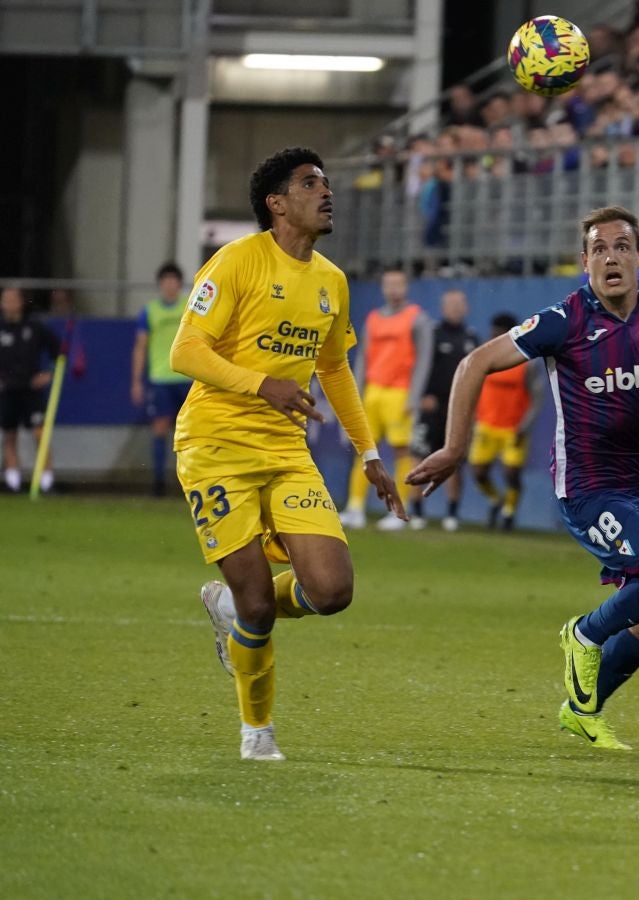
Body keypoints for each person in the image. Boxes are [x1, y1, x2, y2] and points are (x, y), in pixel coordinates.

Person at [408, 205, 639, 750]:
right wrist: (454, 447)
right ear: (584, 261)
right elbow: (474, 363)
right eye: (599, 248)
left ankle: (580, 710)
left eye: (622, 246)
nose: (611, 258)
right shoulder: (565, 320)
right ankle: (585, 633)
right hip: (589, 488)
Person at [170, 147, 405, 760]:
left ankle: (228, 607)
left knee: (331, 590)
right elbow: (185, 351)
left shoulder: (332, 281)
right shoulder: (237, 260)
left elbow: (335, 369)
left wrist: (369, 452)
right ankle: (258, 731)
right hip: (214, 446)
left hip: (284, 450)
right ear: (276, 203)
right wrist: (262, 385)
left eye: (325, 183)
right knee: (258, 604)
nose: (326, 192)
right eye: (309, 184)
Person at [339, 267, 433, 531]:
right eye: (388, 284)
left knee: (402, 451)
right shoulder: (373, 319)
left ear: (406, 287)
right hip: (373, 392)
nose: (393, 289)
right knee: (365, 450)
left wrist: (414, 396)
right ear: (382, 288)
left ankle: (398, 511)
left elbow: (424, 360)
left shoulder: (417, 319)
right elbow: (363, 357)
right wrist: (357, 392)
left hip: (400, 393)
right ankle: (355, 507)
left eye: (398, 284)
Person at [468, 313, 546, 530]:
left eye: (498, 333)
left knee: (511, 473)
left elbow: (537, 397)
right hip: (486, 425)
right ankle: (495, 499)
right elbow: (473, 389)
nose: (493, 336)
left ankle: (508, 512)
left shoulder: (526, 363)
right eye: (492, 332)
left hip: (514, 428)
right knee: (478, 472)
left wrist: (525, 426)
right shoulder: (484, 356)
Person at [409, 289, 478, 530]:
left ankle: (452, 514)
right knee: (419, 456)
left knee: (454, 459)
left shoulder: (472, 338)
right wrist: (422, 395)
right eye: (451, 304)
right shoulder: (432, 335)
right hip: (432, 406)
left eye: (460, 304)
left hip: (458, 409)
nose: (456, 308)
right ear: (443, 308)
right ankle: (416, 512)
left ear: (466, 308)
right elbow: (418, 366)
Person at [131, 262, 193, 495]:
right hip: (160, 380)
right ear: (160, 284)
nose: (169, 285)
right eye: (165, 281)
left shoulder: (190, 306)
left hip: (188, 378)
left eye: (173, 280)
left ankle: (192, 484)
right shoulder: (149, 311)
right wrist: (136, 381)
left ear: (179, 283)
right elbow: (140, 346)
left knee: (192, 433)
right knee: (159, 429)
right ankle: (159, 483)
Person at [0, 287, 60, 493]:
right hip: (7, 390)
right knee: (9, 435)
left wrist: (49, 373)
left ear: (21, 302)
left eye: (12, 299)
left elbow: (58, 351)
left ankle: (46, 481)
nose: (8, 304)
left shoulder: (35, 326)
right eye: (5, 300)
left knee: (39, 434)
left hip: (31, 390)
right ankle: (13, 482)